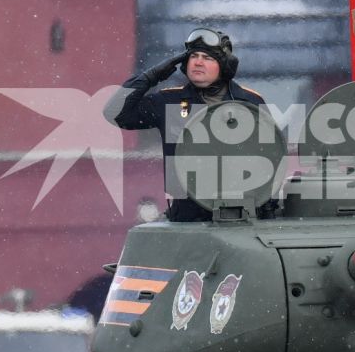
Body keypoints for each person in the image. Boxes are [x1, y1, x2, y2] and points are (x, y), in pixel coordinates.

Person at [104, 28, 266, 222]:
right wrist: (151, 76)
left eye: (207, 58)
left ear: (224, 66)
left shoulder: (249, 102)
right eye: (193, 56)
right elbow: (115, 113)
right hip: (187, 215)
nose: (198, 62)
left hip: (242, 213)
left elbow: (270, 157)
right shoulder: (170, 101)